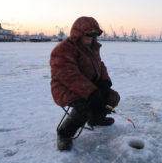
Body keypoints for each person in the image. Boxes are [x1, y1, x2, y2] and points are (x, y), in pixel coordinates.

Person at [50, 16, 120, 151]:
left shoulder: (92, 48)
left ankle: (96, 119)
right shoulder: (63, 50)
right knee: (86, 106)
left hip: (88, 86)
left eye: (93, 36)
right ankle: (64, 133)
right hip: (64, 88)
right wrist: (92, 93)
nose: (90, 39)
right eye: (87, 36)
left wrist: (104, 82)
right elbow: (69, 76)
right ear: (78, 34)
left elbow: (100, 65)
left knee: (113, 97)